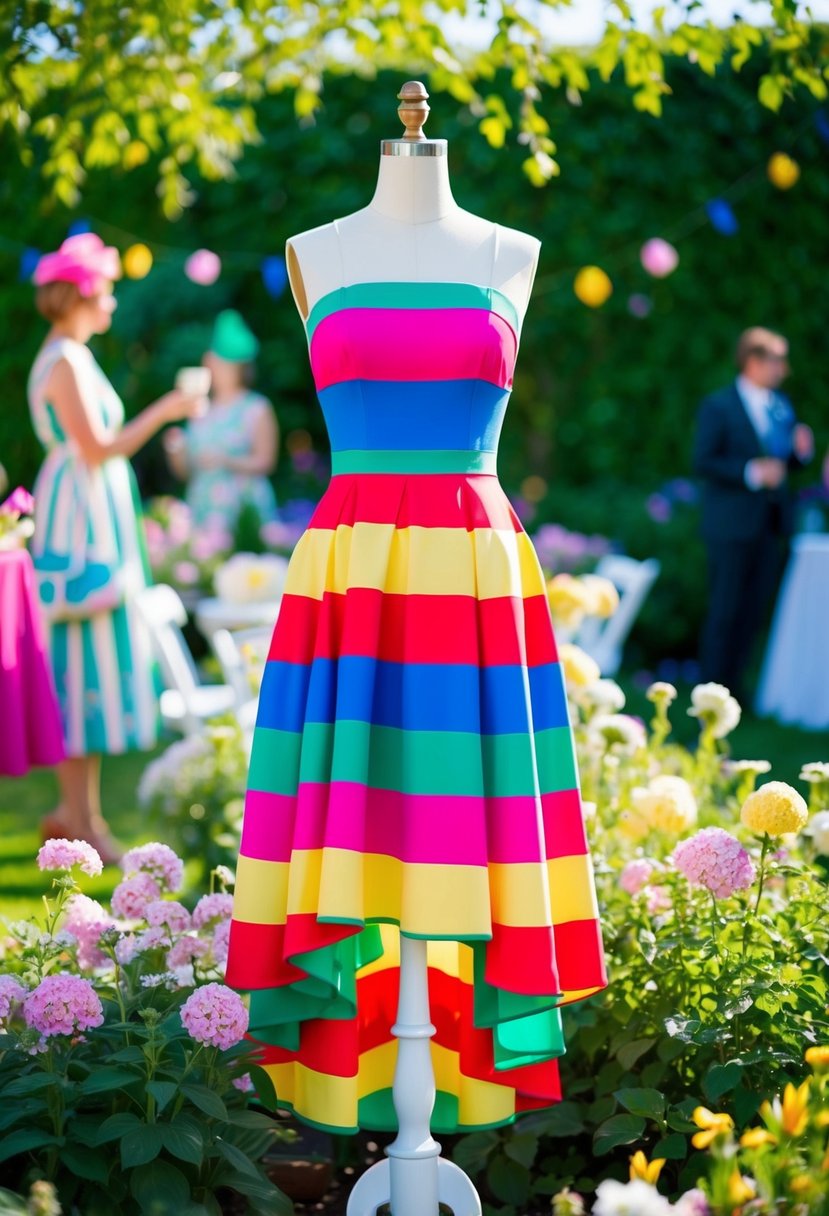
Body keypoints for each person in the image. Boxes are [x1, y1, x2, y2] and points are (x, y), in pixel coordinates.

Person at [28, 232, 203, 861]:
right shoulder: (67, 362)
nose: (111, 302)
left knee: (87, 663)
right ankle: (81, 819)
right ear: (78, 294)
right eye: (103, 289)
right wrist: (168, 409)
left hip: (88, 508)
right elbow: (98, 448)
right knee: (78, 664)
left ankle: (74, 813)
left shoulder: (69, 354)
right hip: (79, 518)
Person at [694, 326, 814, 701]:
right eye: (777, 360)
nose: (783, 369)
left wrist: (800, 454)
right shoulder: (719, 405)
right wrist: (750, 472)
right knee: (724, 610)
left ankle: (736, 691)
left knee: (752, 611)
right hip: (729, 527)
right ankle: (709, 693)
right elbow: (703, 460)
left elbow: (783, 462)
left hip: (770, 525)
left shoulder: (781, 405)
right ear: (752, 361)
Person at [163, 310, 279, 533]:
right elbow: (186, 472)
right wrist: (175, 450)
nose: (212, 368)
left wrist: (226, 461)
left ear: (238, 369)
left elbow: (266, 462)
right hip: (203, 510)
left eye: (220, 364)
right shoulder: (200, 409)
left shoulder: (257, 407)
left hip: (244, 512)